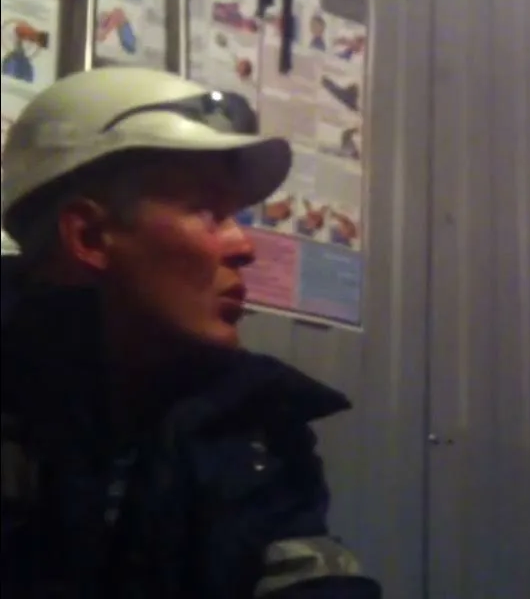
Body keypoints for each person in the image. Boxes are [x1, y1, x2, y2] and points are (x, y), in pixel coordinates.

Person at [0, 67, 381, 598]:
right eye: (207, 211)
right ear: (89, 236)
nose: (245, 247)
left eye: (236, 215)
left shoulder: (252, 428)